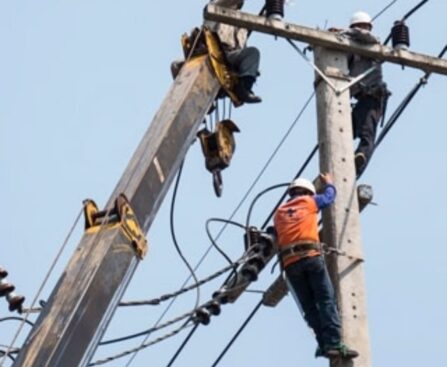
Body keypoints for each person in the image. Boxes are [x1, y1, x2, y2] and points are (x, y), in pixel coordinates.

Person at [273, 174, 358, 359]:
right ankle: (334, 342)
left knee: (310, 307)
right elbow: (329, 197)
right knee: (326, 300)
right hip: (310, 258)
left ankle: (323, 343)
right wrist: (329, 183)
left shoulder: (279, 213)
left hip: (290, 264)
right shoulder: (309, 202)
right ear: (308, 192)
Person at [347, 11, 390, 175]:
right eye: (360, 26)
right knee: (343, 129)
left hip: (373, 98)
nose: (363, 29)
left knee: (367, 134)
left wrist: (343, 32)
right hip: (361, 100)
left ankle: (360, 159)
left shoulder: (372, 43)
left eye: (365, 26)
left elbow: (365, 36)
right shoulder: (350, 49)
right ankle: (344, 159)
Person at [206, 0, 262, 103]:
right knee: (176, 65)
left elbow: (242, 50)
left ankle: (243, 89)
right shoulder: (216, 9)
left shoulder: (241, 23)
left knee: (252, 53)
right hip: (218, 52)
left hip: (231, 57)